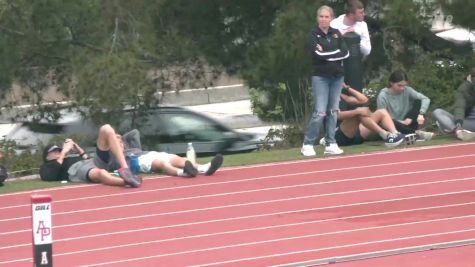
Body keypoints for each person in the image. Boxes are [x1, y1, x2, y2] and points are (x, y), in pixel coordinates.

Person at [301, 5, 350, 157]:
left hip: (337, 77)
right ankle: (307, 144)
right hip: (320, 77)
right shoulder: (313, 35)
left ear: (331, 18)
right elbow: (317, 55)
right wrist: (335, 54)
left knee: (333, 111)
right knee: (320, 112)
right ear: (317, 18)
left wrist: (328, 53)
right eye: (321, 16)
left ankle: (331, 143)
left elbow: (346, 52)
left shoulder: (336, 34)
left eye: (326, 16)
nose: (323, 19)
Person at [40, 124, 142, 187]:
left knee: (106, 129)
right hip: (76, 169)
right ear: (47, 157)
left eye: (59, 150)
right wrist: (64, 152)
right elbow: (49, 176)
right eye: (55, 151)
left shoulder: (66, 157)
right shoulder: (47, 166)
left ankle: (126, 171)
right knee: (100, 173)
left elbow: (86, 159)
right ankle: (126, 182)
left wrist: (79, 149)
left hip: (92, 161)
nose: (58, 152)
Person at [321, 84, 407, 147]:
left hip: (356, 133)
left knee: (382, 111)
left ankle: (395, 135)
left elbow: (364, 100)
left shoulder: (342, 97)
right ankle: (385, 135)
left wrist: (347, 87)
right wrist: (356, 112)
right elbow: (336, 115)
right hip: (337, 135)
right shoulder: (326, 99)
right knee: (359, 113)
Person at [121, 129, 223, 177]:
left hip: (150, 153)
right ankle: (183, 173)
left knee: (178, 159)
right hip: (140, 161)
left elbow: (135, 132)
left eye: (120, 142)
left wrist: (121, 138)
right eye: (116, 143)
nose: (119, 144)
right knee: (161, 163)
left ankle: (204, 167)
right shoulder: (118, 156)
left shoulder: (133, 147)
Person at [376, 70, 434, 141]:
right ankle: (416, 134)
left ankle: (411, 134)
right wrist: (401, 122)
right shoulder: (383, 96)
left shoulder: (407, 90)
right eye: (399, 85)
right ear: (391, 83)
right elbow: (382, 116)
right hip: (394, 125)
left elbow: (425, 99)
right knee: (385, 121)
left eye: (404, 85)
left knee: (418, 101)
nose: (402, 88)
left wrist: (421, 113)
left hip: (409, 122)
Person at [330, 0, 371, 92]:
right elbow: (330, 47)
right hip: (338, 68)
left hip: (355, 67)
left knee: (357, 97)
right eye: (360, 12)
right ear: (351, 15)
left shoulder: (363, 25)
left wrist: (356, 38)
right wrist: (343, 36)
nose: (363, 14)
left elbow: (367, 50)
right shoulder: (335, 24)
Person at [432, 67, 475, 141]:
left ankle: (448, 128)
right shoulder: (463, 89)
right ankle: (458, 131)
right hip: (467, 123)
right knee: (437, 112)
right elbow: (459, 107)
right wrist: (458, 124)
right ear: (472, 78)